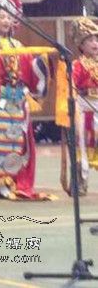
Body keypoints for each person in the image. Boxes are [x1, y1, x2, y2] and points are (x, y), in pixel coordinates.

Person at [0, 0, 51, 200]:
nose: (6, 21)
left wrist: (40, 64)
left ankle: (16, 179)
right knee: (0, 140)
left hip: (19, 100)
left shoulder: (18, 46)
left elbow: (29, 70)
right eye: (2, 17)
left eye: (9, 16)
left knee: (18, 140)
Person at [61, 17, 98, 195]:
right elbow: (71, 85)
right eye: (90, 40)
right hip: (83, 110)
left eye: (96, 39)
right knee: (80, 146)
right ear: (81, 45)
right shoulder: (77, 65)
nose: (95, 43)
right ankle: (80, 182)